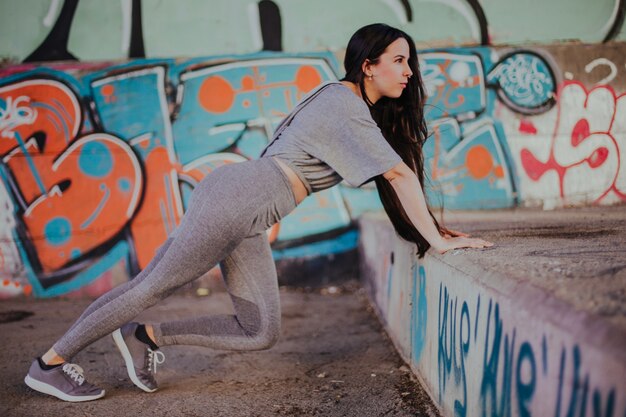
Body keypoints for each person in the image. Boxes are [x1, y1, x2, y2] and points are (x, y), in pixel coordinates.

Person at [23, 23, 492, 402]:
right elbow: (401, 178)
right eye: (399, 60)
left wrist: (430, 232)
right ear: (368, 67)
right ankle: (50, 364)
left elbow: (395, 181)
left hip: (250, 211)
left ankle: (146, 336)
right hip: (240, 197)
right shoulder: (344, 102)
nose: (409, 70)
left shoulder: (354, 109)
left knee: (259, 329)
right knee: (153, 283)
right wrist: (438, 241)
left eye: (410, 61)